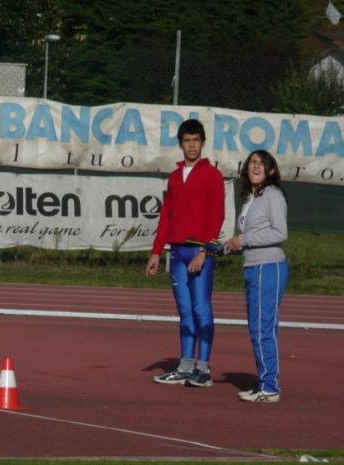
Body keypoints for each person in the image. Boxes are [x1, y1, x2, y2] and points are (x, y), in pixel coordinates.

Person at [145, 119, 225, 388]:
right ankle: (185, 366)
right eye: (187, 141)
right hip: (177, 252)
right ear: (181, 144)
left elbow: (216, 217)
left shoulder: (212, 175)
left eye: (196, 140)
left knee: (202, 309)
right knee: (185, 310)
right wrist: (156, 252)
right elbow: (166, 217)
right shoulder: (174, 177)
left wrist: (204, 250)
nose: (191, 145)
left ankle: (203, 369)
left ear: (202, 143)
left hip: (200, 252)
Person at [224, 150, 288, 403]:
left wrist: (244, 239)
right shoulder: (251, 197)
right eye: (252, 162)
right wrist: (226, 247)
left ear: (271, 170)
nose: (256, 166)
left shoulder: (273, 195)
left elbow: (280, 233)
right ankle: (264, 381)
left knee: (263, 328)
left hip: (268, 267)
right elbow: (247, 239)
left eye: (261, 163)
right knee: (257, 328)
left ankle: (270, 386)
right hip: (253, 267)